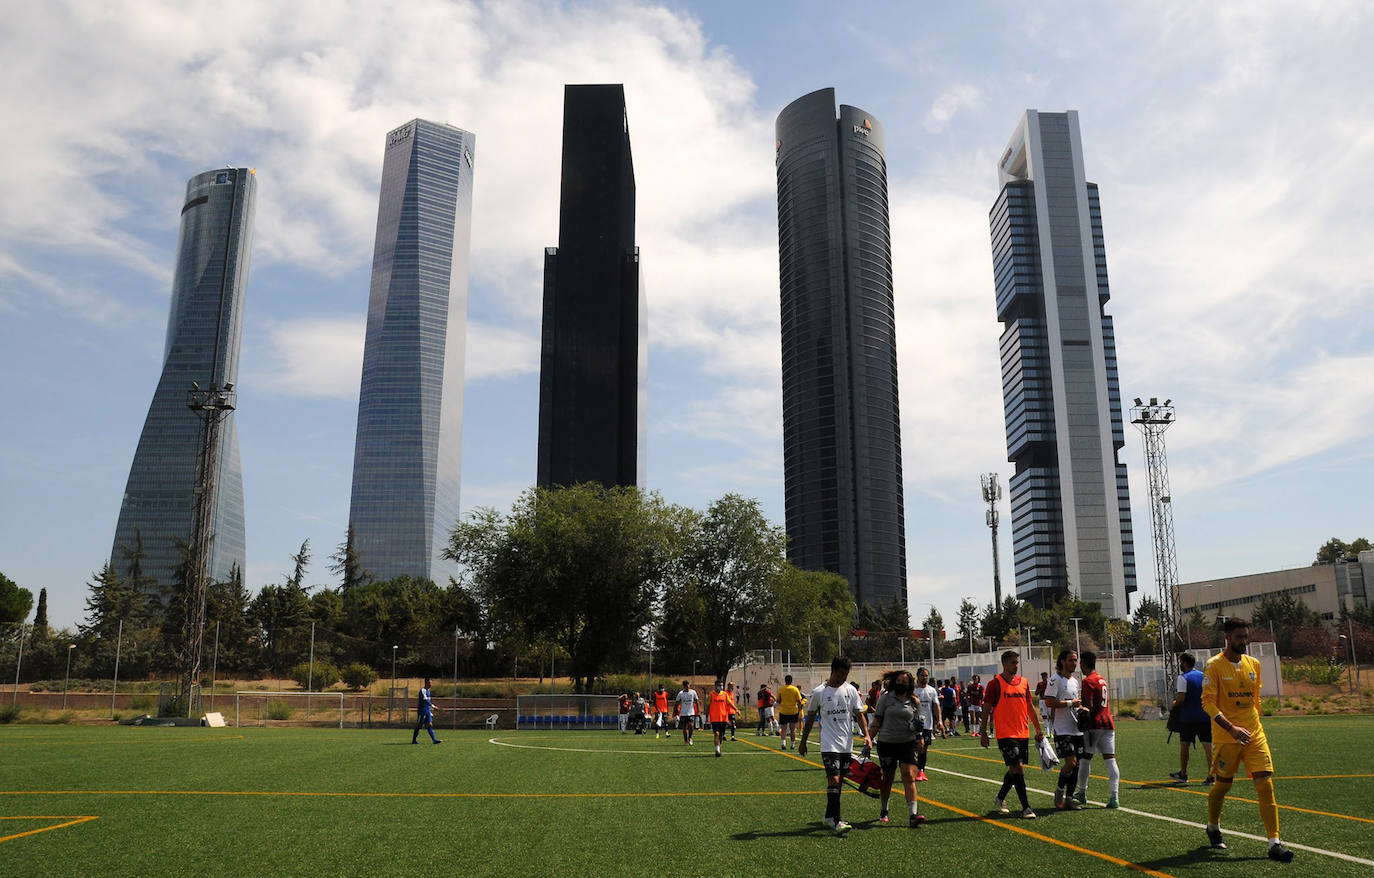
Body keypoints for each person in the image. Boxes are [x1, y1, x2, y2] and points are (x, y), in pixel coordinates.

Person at [1202, 618, 1294, 862]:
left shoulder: (1253, 664)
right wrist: (1231, 729)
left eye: (1246, 636)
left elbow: (1255, 700)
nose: (1244, 641)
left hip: (1254, 735)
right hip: (1227, 738)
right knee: (1223, 786)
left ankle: (1274, 842)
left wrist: (1255, 724)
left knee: (1265, 783)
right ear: (1228, 638)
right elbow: (1208, 703)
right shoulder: (1214, 666)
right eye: (1239, 637)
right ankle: (1213, 825)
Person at [799, 656, 872, 835]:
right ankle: (837, 821)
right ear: (833, 671)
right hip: (828, 744)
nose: (843, 678)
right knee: (834, 780)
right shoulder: (819, 692)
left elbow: (859, 715)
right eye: (841, 674)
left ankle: (828, 817)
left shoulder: (851, 690)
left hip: (846, 745)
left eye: (846, 674)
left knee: (838, 784)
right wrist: (803, 742)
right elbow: (809, 720)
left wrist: (867, 735)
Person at [981, 650, 1044, 819]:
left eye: (1017, 663)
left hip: (1022, 733)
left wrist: (1038, 729)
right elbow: (986, 708)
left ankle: (1000, 797)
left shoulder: (1023, 682)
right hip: (1005, 734)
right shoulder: (995, 684)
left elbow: (1030, 707)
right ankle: (1026, 807)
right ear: (1004, 664)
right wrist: (984, 732)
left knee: (1015, 769)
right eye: (1013, 663)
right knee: (1017, 767)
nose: (1016, 666)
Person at [870, 669, 926, 827]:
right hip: (887, 743)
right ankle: (884, 809)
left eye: (905, 682)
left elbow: (918, 722)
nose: (901, 684)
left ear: (910, 684)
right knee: (888, 778)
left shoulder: (914, 701)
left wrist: (919, 735)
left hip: (907, 743)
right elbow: (877, 720)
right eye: (899, 681)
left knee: (908, 775)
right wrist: (869, 738)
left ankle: (913, 815)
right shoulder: (886, 698)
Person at [1074, 651, 1120, 808]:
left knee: (1085, 759)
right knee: (1110, 759)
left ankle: (1082, 792)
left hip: (1094, 725)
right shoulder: (1102, 679)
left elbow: (1089, 706)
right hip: (1108, 723)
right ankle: (1114, 797)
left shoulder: (1088, 681)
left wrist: (1079, 707)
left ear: (1083, 665)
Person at [1044, 649, 1084, 811]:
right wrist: (1069, 703)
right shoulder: (1055, 680)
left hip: (1077, 728)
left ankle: (1069, 799)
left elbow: (1076, 703)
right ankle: (1059, 790)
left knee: (1078, 765)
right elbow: (1049, 702)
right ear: (1062, 662)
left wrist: (1083, 710)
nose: (1074, 663)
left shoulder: (1075, 681)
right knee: (1070, 763)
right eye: (1070, 660)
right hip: (1062, 729)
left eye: (1075, 660)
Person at [1170, 652, 1214, 785]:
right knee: (1208, 746)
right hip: (1205, 716)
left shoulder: (1183, 678)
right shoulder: (1204, 676)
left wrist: (1174, 703)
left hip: (1188, 718)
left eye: (1180, 662)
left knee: (1185, 746)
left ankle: (1183, 774)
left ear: (1184, 663)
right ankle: (1212, 775)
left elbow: (1181, 698)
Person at [913, 667, 944, 782]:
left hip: (927, 725)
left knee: (923, 748)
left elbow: (936, 706)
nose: (924, 677)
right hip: (914, 724)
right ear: (918, 676)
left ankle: (921, 771)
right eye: (922, 675)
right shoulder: (913, 690)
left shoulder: (932, 690)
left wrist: (939, 720)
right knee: (916, 747)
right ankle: (915, 768)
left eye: (926, 675)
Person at [411, 678, 441, 744]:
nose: (431, 684)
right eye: (430, 683)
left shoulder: (428, 691)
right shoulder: (423, 690)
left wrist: (430, 710)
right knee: (419, 726)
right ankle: (414, 740)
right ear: (426, 683)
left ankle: (434, 740)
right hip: (422, 711)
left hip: (427, 711)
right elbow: (425, 700)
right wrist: (433, 706)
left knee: (429, 725)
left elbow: (428, 701)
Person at [777, 674, 804, 750]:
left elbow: (778, 700)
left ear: (785, 680)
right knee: (793, 729)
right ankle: (792, 745)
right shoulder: (795, 689)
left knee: (784, 729)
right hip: (793, 711)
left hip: (784, 711)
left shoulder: (781, 689)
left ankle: (783, 744)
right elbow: (799, 701)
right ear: (792, 681)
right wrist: (799, 709)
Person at [706, 679, 732, 757]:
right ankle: (717, 751)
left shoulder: (725, 694)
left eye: (722, 685)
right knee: (716, 733)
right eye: (719, 685)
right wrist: (706, 717)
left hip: (723, 718)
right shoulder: (711, 694)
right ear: (716, 686)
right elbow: (708, 706)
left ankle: (718, 747)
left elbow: (730, 703)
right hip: (714, 718)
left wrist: (736, 709)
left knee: (721, 735)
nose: (721, 687)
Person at [675, 679, 699, 745]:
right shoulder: (681, 694)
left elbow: (697, 702)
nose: (687, 687)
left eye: (688, 685)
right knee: (684, 728)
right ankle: (685, 740)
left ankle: (690, 738)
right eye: (685, 686)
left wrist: (698, 710)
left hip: (691, 712)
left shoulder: (693, 692)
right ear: (684, 686)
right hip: (683, 713)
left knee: (691, 726)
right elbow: (677, 703)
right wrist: (676, 710)